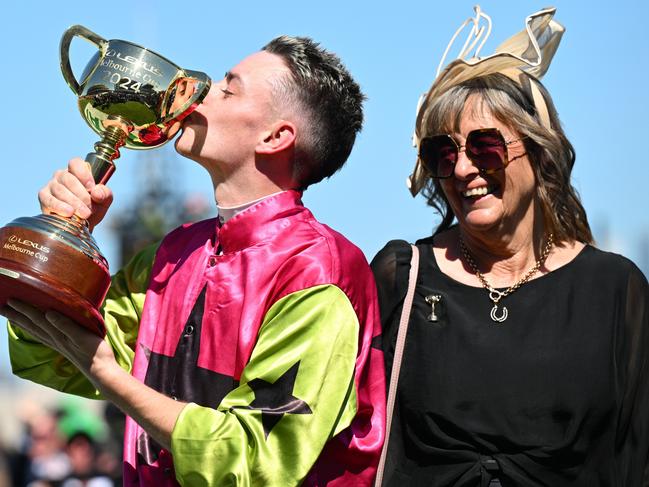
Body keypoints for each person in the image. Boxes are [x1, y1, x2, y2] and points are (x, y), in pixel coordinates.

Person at [4, 35, 385, 486]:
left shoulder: (320, 271)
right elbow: (50, 357)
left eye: (228, 87)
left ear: (275, 136)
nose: (200, 93)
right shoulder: (171, 253)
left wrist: (108, 374)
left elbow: (255, 461)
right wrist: (62, 246)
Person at [371, 6, 649, 487]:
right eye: (444, 153)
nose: (462, 169)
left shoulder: (614, 289)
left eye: (485, 147)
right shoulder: (403, 275)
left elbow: (637, 455)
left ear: (538, 151)